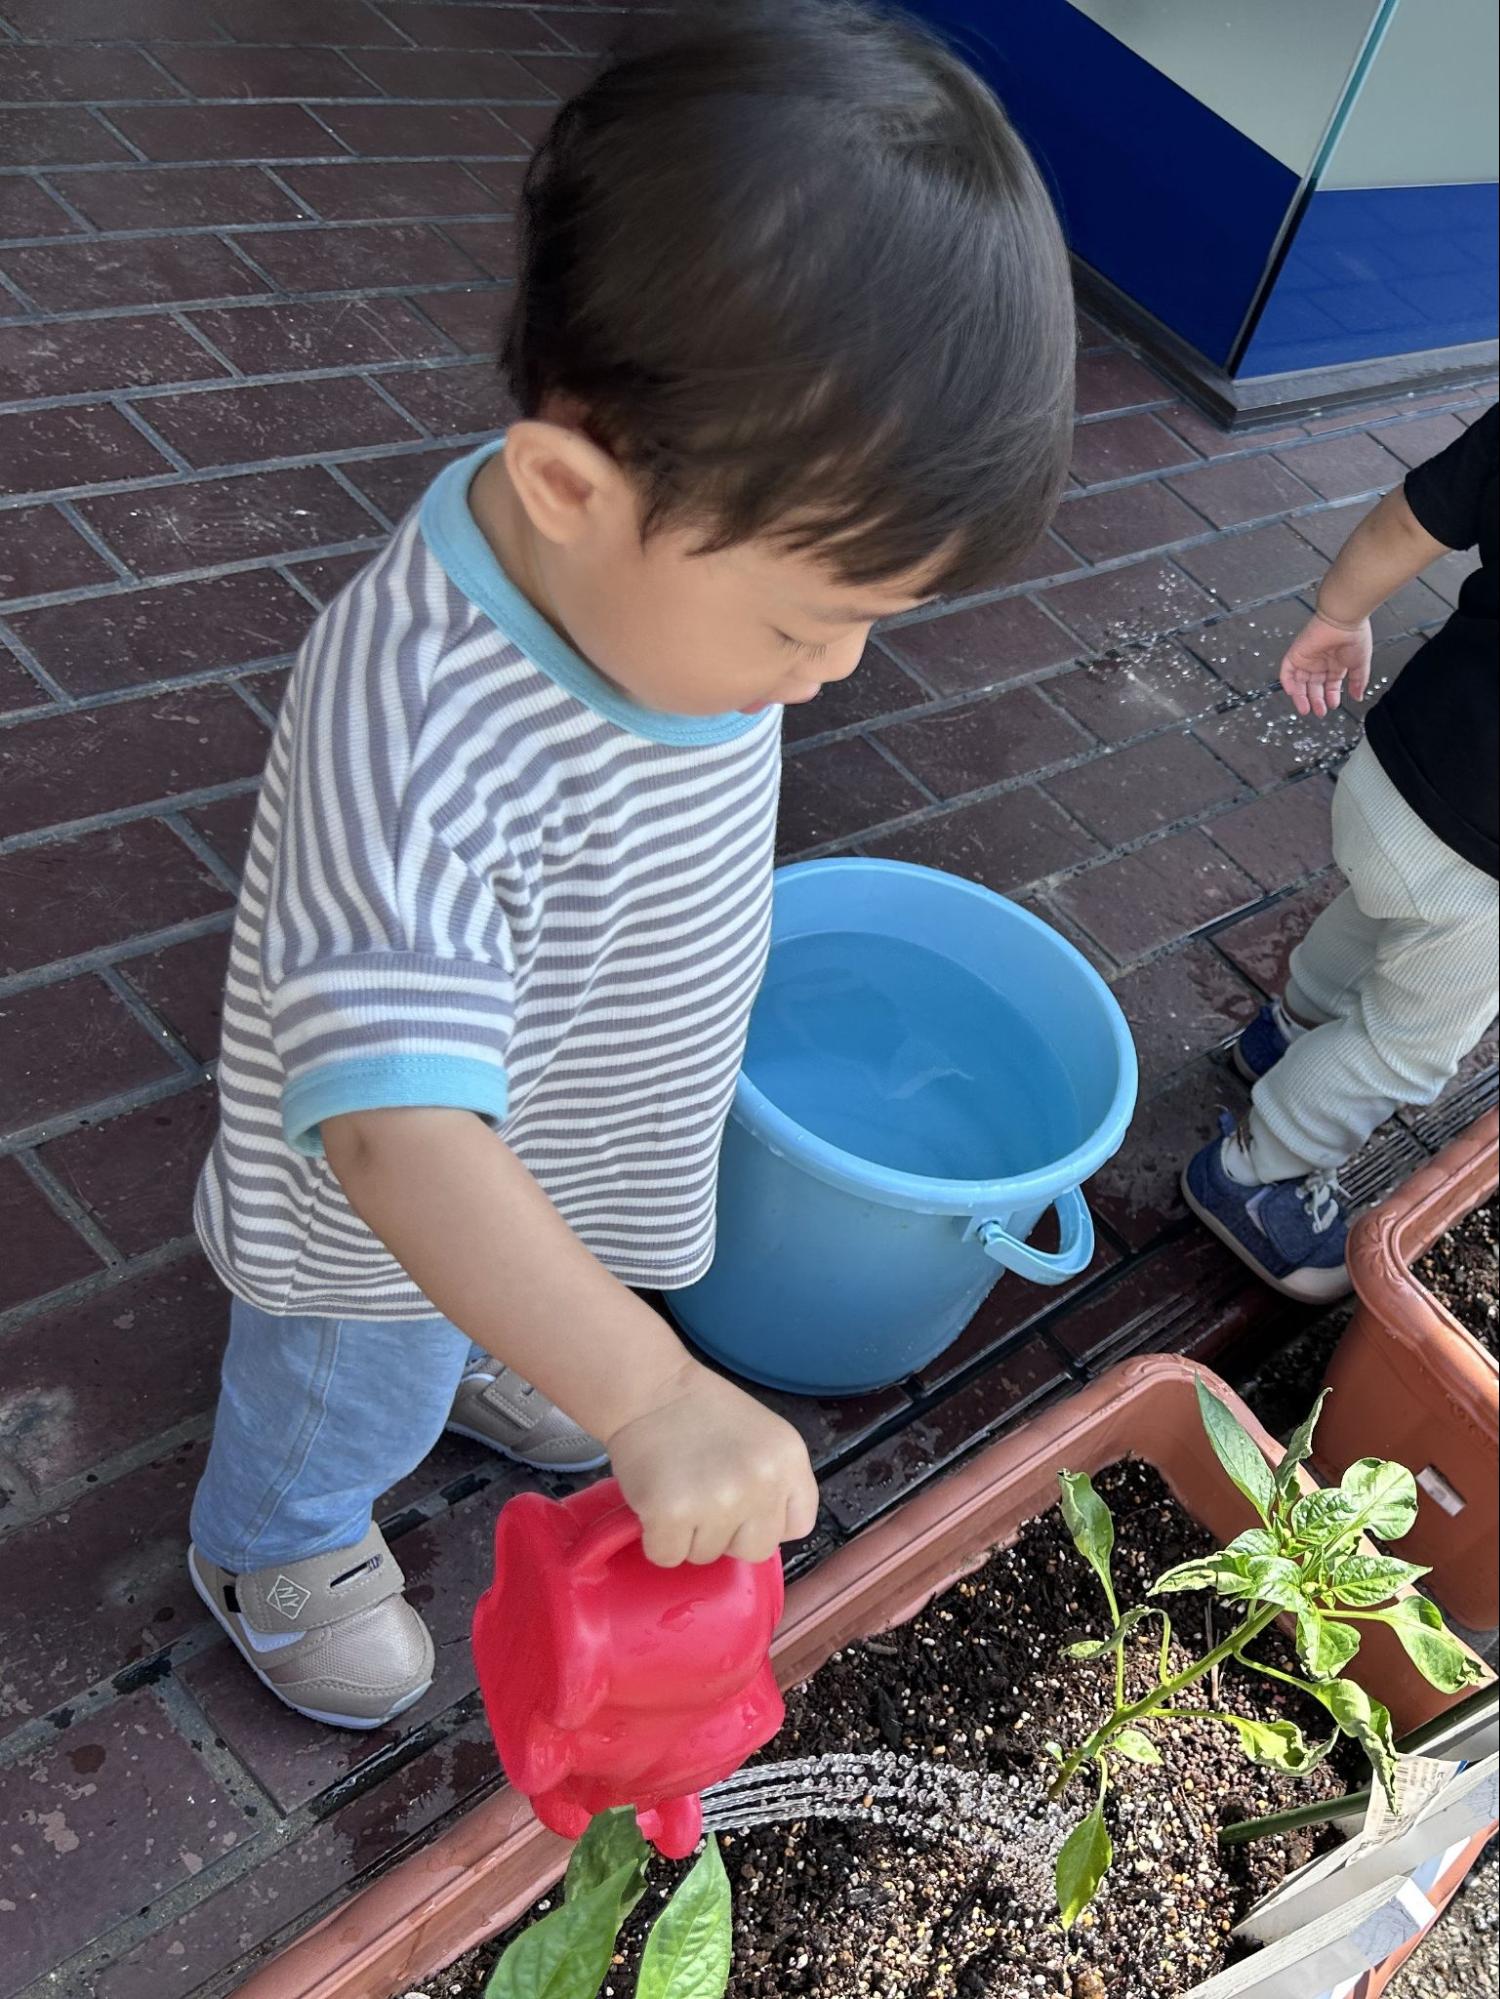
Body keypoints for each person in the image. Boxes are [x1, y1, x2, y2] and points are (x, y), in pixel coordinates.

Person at [186, 0, 1076, 1728]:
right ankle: (276, 1535)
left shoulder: (661, 594)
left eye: (873, 622)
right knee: (355, 1372)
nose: (832, 672)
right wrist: (649, 1390)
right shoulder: (423, 725)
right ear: (567, 487)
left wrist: (601, 1338)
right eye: (806, 622)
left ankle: (509, 1330)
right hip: (388, 1217)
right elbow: (397, 1131)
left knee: (500, 1295)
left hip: (560, 1111)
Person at [1184, 405, 1499, 1302]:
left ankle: (1283, 1034)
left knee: (1372, 912)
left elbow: (1408, 519)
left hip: (1395, 769)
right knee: (1406, 1043)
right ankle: (1257, 1172)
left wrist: (1338, 614)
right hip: (1485, 869)